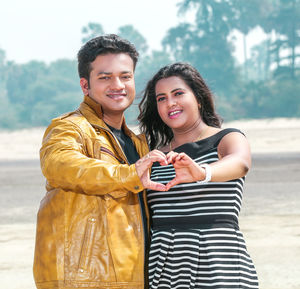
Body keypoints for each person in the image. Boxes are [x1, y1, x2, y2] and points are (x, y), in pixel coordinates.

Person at [33, 34, 168, 289]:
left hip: (133, 279)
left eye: (125, 76)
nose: (118, 85)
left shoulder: (137, 142)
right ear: (85, 86)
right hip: (84, 279)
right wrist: (127, 174)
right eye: (105, 77)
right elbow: (59, 164)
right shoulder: (69, 127)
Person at [138, 62, 259, 288]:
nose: (170, 102)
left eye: (178, 93)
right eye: (161, 98)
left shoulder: (226, 138)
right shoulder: (153, 156)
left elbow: (240, 163)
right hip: (165, 267)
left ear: (199, 98)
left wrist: (202, 172)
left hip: (219, 263)